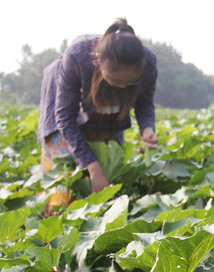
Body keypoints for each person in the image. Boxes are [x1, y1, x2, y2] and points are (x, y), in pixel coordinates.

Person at [37, 18, 158, 214]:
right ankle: (52, 234)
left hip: (110, 114)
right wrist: (92, 168)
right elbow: (65, 119)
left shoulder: (148, 63)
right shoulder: (78, 56)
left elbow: (145, 103)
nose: (122, 86)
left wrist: (148, 129)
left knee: (107, 186)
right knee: (63, 184)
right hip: (64, 104)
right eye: (115, 80)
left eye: (129, 82)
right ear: (98, 62)